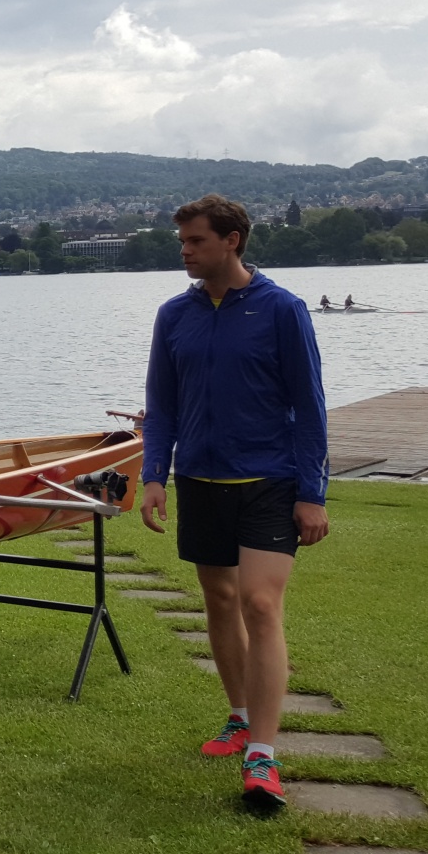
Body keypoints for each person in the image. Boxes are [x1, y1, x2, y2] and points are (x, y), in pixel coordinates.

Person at [139, 195, 329, 809]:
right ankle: (239, 716)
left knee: (261, 604)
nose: (186, 252)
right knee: (220, 600)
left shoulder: (281, 309)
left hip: (269, 481)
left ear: (233, 240)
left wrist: (312, 493)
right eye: (182, 242)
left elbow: (310, 408)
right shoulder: (175, 315)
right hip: (200, 480)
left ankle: (263, 757)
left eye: (196, 241)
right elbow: (162, 405)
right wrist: (153, 475)